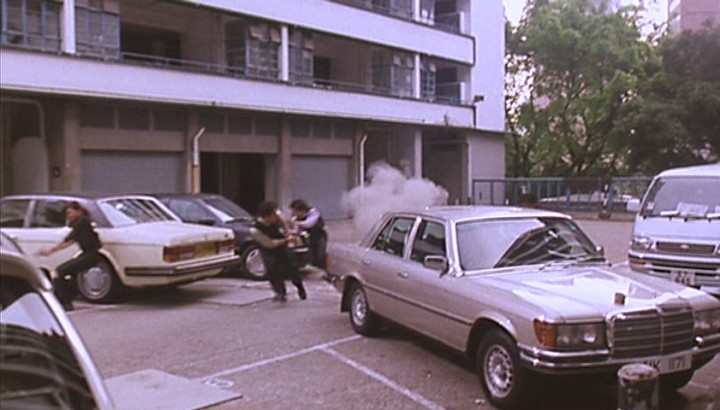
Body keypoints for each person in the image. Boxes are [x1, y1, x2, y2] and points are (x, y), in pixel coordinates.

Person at [39, 201, 102, 311]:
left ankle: (65, 302)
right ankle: (68, 297)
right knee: (70, 274)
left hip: (90, 255)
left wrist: (50, 251)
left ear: (78, 211)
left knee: (60, 271)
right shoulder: (83, 222)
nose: (68, 216)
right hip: (89, 255)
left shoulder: (82, 222)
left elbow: (68, 241)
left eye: (70, 213)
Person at [250, 201, 307, 302]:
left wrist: (288, 234)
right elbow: (269, 244)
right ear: (267, 217)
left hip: (282, 246)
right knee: (273, 270)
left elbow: (285, 224)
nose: (276, 217)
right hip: (268, 249)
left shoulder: (277, 217)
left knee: (292, 268)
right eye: (273, 215)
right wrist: (286, 240)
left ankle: (299, 286)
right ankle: (280, 293)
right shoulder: (255, 229)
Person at [289, 199, 328, 275]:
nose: (294, 213)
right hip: (310, 236)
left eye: (295, 211)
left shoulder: (313, 212)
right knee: (312, 254)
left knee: (321, 253)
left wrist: (296, 223)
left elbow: (309, 224)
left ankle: (325, 271)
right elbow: (296, 230)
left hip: (320, 234)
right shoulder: (296, 218)